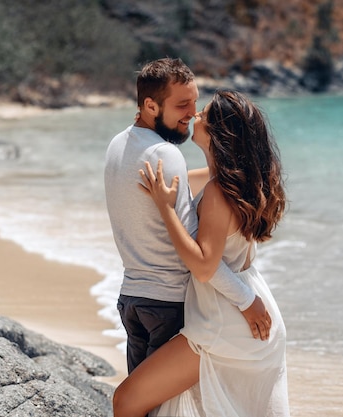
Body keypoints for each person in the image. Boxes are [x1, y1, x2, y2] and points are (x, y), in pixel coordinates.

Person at [112, 90, 290, 417]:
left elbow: (205, 267)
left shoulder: (220, 191)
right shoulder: (236, 181)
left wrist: (167, 211)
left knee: (126, 401)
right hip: (241, 313)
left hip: (224, 321)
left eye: (204, 114)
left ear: (221, 133)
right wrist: (143, 130)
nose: (196, 117)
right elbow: (177, 182)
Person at [104, 58, 270, 375]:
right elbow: (200, 258)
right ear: (151, 106)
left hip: (133, 300)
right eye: (183, 105)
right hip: (169, 304)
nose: (193, 114)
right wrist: (247, 300)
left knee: (146, 403)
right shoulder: (167, 155)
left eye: (195, 103)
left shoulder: (119, 145)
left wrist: (234, 173)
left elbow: (178, 183)